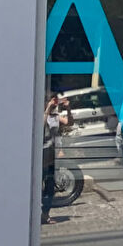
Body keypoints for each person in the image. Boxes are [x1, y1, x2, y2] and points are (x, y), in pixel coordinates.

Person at [41, 94, 70, 223]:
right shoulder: (41, 115)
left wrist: (68, 109)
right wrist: (47, 109)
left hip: (50, 157)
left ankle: (45, 215)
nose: (54, 103)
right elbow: (40, 127)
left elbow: (69, 122)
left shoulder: (56, 117)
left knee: (49, 187)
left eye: (55, 101)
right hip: (40, 156)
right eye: (52, 101)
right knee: (36, 187)